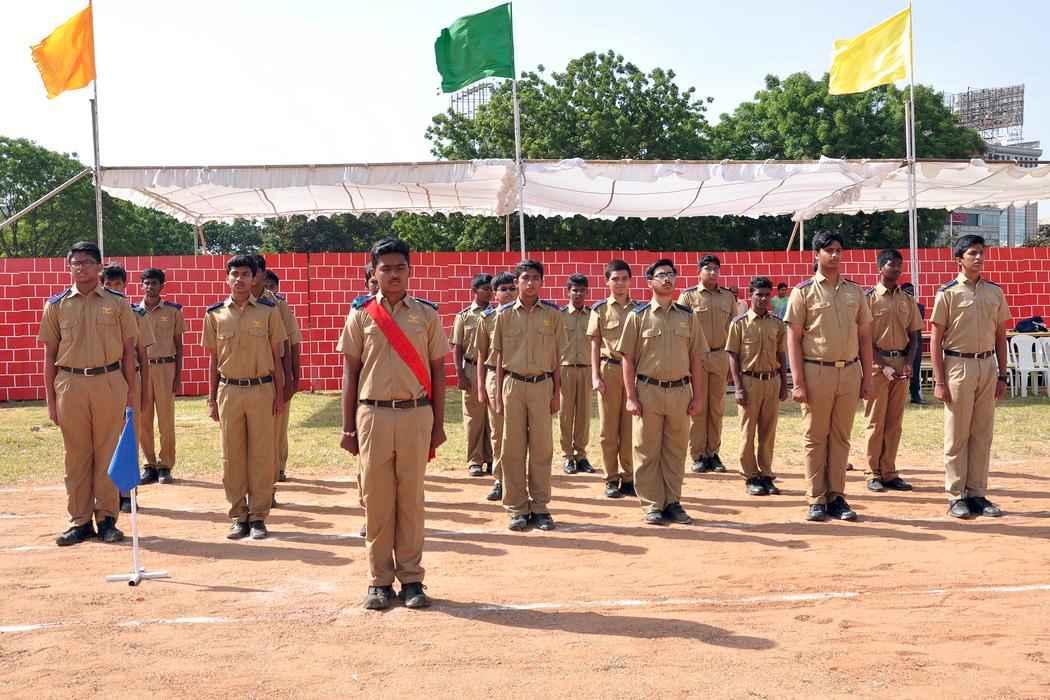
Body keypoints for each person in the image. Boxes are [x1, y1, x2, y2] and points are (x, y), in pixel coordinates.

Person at [338, 237, 448, 610]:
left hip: (417, 413)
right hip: (373, 415)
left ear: (410, 270)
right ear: (374, 272)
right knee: (377, 501)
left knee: (411, 500)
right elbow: (350, 373)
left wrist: (438, 424)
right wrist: (348, 427)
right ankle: (380, 581)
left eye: (400, 267)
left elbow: (438, 371)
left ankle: (412, 579)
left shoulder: (427, 315)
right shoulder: (361, 315)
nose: (393, 274)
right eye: (385, 268)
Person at [39, 241, 139, 546]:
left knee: (107, 452)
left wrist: (131, 396)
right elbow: (49, 355)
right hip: (70, 384)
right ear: (68, 267)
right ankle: (79, 521)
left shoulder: (118, 303)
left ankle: (107, 519)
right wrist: (51, 401)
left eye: (87, 262)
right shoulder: (56, 306)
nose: (80, 267)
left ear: (99, 266)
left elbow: (129, 352)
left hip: (109, 381)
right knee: (76, 456)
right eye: (75, 263)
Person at [785, 231, 873, 522]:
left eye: (838, 250)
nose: (835, 255)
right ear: (816, 254)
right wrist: (798, 382)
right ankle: (816, 498)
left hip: (848, 371)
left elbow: (865, 336)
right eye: (828, 250)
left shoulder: (855, 292)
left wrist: (867, 377)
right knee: (815, 437)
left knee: (840, 437)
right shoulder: (803, 292)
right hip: (816, 371)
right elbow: (793, 339)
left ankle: (836, 496)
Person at [616, 259, 707, 526]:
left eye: (671, 274)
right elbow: (628, 359)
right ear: (650, 282)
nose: (667, 279)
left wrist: (698, 396)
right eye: (661, 275)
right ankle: (652, 504)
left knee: (675, 450)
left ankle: (672, 501)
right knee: (647, 450)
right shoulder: (638, 316)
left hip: (680, 391)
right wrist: (631, 397)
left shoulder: (688, 316)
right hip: (648, 392)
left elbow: (696, 359)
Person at [203, 255, 287, 541]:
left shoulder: (268, 312)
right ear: (227, 278)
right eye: (234, 274)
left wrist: (280, 395)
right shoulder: (214, 315)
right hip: (229, 390)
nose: (239, 279)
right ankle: (239, 515)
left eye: (245, 274)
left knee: (262, 455)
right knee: (232, 456)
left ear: (254, 279)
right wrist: (211, 399)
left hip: (262, 389)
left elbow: (277, 358)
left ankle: (259, 515)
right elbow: (213, 361)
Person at [931, 234, 1010, 519]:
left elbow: (1000, 336)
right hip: (958, 365)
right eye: (972, 253)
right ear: (959, 259)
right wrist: (939, 381)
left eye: (981, 253)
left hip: (987, 366)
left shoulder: (994, 292)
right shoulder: (948, 293)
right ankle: (956, 495)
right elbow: (935, 339)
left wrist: (1003, 375)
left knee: (982, 433)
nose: (978, 258)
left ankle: (977, 493)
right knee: (957, 435)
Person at [492, 259, 565, 532]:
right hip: (513, 385)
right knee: (512, 448)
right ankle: (517, 508)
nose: (530, 282)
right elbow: (498, 357)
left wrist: (556, 393)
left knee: (542, 448)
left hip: (542, 385)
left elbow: (557, 359)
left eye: (535, 277)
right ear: (517, 282)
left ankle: (540, 506)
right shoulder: (504, 315)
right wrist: (497, 394)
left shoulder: (553, 315)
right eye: (525, 278)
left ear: (542, 281)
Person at [863, 249, 923, 493]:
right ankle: (872, 472)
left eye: (899, 264)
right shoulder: (868, 299)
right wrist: (883, 365)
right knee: (875, 421)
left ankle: (889, 471)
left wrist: (908, 362)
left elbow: (915, 336)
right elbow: (864, 339)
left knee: (894, 422)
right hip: (877, 366)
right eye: (891, 264)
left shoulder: (907, 300)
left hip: (901, 364)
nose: (897, 268)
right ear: (880, 268)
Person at [100, 263, 156, 513]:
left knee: (129, 436)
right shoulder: (96, 313)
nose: (113, 288)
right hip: (105, 380)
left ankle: (127, 494)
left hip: (131, 380)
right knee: (105, 438)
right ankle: (107, 493)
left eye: (118, 284)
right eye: (108, 284)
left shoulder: (137, 314)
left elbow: (143, 356)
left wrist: (144, 393)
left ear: (125, 286)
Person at [727, 277, 788, 496]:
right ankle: (750, 476)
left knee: (768, 431)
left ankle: (766, 474)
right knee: (748, 431)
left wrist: (783, 384)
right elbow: (733, 356)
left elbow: (781, 354)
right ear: (750, 295)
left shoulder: (777, 323)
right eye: (758, 294)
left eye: (766, 295)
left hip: (772, 381)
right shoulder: (739, 323)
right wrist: (738, 387)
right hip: (749, 381)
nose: (763, 299)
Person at [678, 255, 736, 474]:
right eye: (708, 268)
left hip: (720, 356)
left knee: (717, 408)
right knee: (698, 407)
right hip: (697, 358)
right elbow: (680, 330)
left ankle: (713, 453)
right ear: (699, 271)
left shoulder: (728, 297)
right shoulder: (688, 296)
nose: (712, 272)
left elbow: (734, 330)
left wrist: (732, 361)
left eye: (715, 269)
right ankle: (698, 454)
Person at [587, 260, 637, 499]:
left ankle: (628, 478)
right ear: (607, 282)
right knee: (608, 430)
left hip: (632, 374)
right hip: (609, 370)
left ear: (630, 281)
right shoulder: (600, 310)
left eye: (624, 278)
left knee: (629, 430)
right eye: (615, 279)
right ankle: (610, 478)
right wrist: (595, 376)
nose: (620, 283)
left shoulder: (639, 310)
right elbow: (595, 344)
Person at [251, 255, 302, 490]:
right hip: (245, 378)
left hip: (275, 375)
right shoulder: (233, 306)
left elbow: (291, 342)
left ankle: (273, 475)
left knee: (275, 431)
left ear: (262, 273)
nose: (250, 276)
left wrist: (293, 379)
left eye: (255, 271)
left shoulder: (278, 304)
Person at [137, 267, 184, 486]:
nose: (150, 287)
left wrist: (178, 375)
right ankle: (149, 465)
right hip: (142, 370)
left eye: (154, 283)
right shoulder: (133, 312)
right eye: (146, 283)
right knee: (143, 420)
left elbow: (179, 345)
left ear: (162, 286)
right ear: (141, 286)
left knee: (166, 421)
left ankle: (165, 465)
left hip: (166, 368)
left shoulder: (173, 312)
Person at [475, 272, 518, 502]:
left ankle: (519, 479)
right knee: (498, 432)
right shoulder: (487, 319)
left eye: (512, 288)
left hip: (519, 378)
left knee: (520, 432)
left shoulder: (524, 316)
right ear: (494, 294)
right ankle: (500, 479)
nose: (508, 293)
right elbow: (481, 356)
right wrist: (481, 387)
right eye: (503, 289)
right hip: (494, 378)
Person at [452, 273, 493, 477]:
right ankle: (475, 460)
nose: (489, 292)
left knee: (493, 416)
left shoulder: (497, 314)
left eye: (491, 289)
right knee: (474, 418)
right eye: (485, 289)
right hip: (471, 368)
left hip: (492, 370)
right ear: (474, 291)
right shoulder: (464, 316)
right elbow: (457, 347)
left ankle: (492, 458)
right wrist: (460, 374)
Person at [559, 273, 593, 475]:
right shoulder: (560, 315)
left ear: (587, 292)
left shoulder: (593, 315)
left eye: (582, 291)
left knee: (584, 414)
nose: (578, 294)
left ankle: (581, 455)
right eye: (574, 290)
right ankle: (567, 456)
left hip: (587, 369)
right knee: (566, 414)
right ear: (568, 292)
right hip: (565, 369)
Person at [901, 282, 929, 404]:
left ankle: (915, 395)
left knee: (915, 369)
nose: (910, 294)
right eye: (907, 292)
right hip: (901, 343)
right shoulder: (898, 307)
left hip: (915, 343)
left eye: (912, 292)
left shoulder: (919, 307)